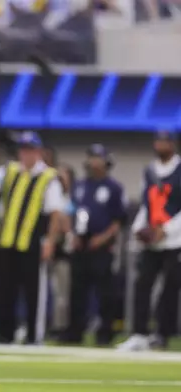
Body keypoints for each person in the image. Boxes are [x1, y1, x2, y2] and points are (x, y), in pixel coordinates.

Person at [0, 131, 66, 344]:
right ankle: (4, 333)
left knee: (33, 291)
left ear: (39, 152)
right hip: (7, 240)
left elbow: (55, 213)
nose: (26, 155)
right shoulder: (11, 171)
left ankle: (34, 334)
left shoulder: (49, 177)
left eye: (30, 150)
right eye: (23, 150)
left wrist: (50, 241)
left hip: (32, 242)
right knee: (5, 290)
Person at [117, 131, 181, 351]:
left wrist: (167, 229)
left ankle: (162, 334)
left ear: (173, 144)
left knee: (170, 288)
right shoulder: (150, 171)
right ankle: (139, 333)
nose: (161, 145)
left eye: (165, 141)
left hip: (175, 240)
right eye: (158, 141)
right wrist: (139, 228)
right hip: (151, 239)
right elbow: (147, 203)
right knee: (142, 284)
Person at [66, 144, 126, 345]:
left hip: (102, 245)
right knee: (77, 292)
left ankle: (105, 333)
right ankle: (75, 332)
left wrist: (103, 238)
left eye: (97, 157)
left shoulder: (113, 187)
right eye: (91, 157)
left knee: (105, 293)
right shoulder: (81, 185)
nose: (93, 162)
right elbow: (72, 210)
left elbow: (118, 220)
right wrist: (73, 234)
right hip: (81, 243)